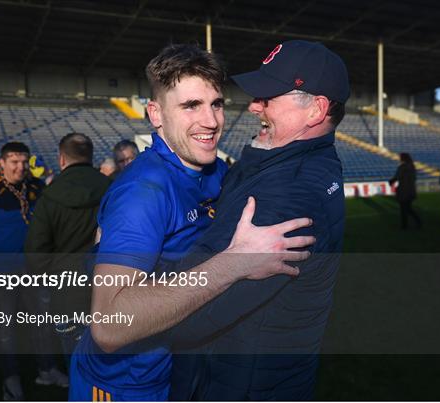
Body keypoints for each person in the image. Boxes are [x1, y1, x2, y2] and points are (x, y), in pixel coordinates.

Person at [69, 44, 313, 401]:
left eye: (216, 103)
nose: (211, 121)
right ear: (156, 114)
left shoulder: (214, 170)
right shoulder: (144, 193)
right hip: (123, 386)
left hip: (183, 375)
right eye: (190, 106)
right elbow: (108, 326)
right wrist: (233, 264)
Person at [143, 39, 348, 401]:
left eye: (267, 98)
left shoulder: (287, 198)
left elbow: (186, 321)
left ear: (315, 110)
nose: (253, 107)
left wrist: (132, 272)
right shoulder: (287, 163)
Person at [0, 142, 66, 400]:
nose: (20, 167)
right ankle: (10, 379)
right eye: (14, 162)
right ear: (2, 163)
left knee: (43, 321)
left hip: (33, 270)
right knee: (5, 329)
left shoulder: (36, 188)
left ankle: (47, 369)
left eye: (24, 162)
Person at [24, 133, 111, 363]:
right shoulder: (112, 189)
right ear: (91, 157)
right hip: (109, 291)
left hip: (67, 294)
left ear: (61, 159)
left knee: (76, 367)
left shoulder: (50, 195)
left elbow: (35, 254)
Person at [389, 153, 422, 229]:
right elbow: (414, 178)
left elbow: (397, 177)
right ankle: (417, 222)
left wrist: (390, 182)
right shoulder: (412, 166)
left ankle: (405, 226)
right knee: (408, 208)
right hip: (411, 190)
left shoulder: (402, 167)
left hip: (403, 190)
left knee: (404, 209)